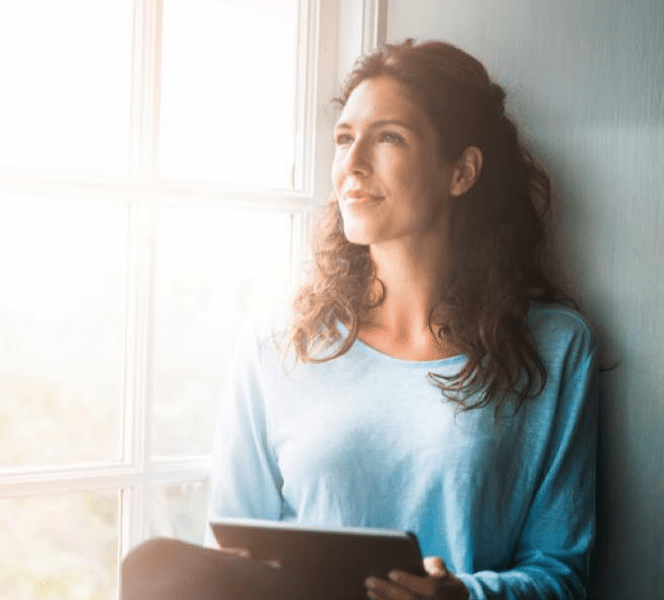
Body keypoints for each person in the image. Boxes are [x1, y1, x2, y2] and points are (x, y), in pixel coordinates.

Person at [122, 39, 597, 600]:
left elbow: (561, 573)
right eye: (344, 139)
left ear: (462, 172)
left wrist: (462, 596)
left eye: (388, 137)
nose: (351, 164)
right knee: (155, 568)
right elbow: (233, 556)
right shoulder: (275, 347)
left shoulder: (552, 346)